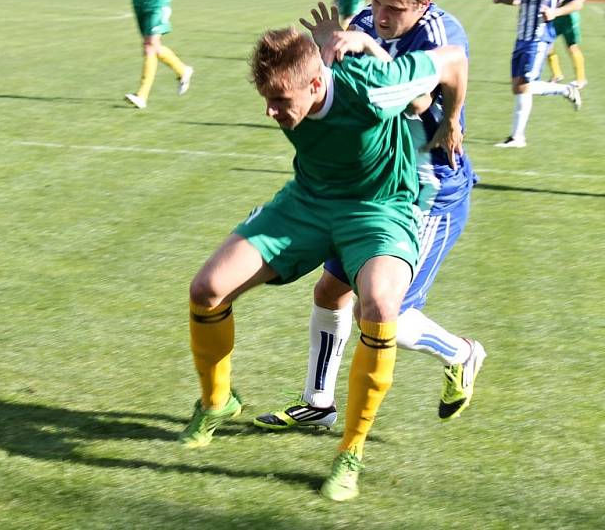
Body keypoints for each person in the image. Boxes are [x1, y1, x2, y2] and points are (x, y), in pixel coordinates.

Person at [179, 26, 468, 504]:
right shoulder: (300, 90)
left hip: (379, 210)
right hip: (307, 201)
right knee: (206, 288)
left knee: (378, 305)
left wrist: (451, 118)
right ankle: (216, 401)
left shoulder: (374, 85)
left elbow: (453, 58)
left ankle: (349, 453)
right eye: (266, 97)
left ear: (316, 84)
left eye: (277, 98)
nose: (269, 110)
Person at [254, 0, 485, 436]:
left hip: (430, 191)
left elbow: (419, 104)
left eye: (394, 8)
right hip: (373, 191)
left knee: (384, 313)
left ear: (422, 4)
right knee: (330, 289)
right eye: (376, 1)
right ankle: (318, 402)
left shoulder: (442, 32)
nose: (380, 14)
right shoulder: (361, 23)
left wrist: (373, 52)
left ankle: (463, 353)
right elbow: (338, 91)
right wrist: (319, 57)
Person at [492, 0, 582, 148]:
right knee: (518, 87)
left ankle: (517, 137)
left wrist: (556, 11)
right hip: (521, 35)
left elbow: (577, 3)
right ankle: (565, 90)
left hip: (539, 37)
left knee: (526, 85)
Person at [116, 0, 193, 109]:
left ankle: (142, 95)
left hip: (159, 0)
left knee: (150, 45)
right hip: (139, 1)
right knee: (152, 46)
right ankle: (183, 70)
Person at [546, 0, 587, 89]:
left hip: (569, 17)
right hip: (554, 16)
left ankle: (581, 79)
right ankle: (557, 74)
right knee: (547, 45)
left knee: (572, 47)